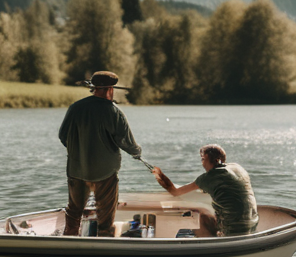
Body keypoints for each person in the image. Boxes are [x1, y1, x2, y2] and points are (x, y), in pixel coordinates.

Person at [59, 71, 141, 237]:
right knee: (105, 217)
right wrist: (137, 153)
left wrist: (79, 152)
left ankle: (69, 240)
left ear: (94, 88)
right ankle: (104, 242)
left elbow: (63, 136)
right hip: (105, 173)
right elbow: (127, 143)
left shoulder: (75, 108)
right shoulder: (114, 112)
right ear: (110, 89)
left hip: (77, 170)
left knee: (74, 212)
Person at [153, 144, 258, 237]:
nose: (202, 163)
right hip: (252, 226)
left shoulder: (209, 177)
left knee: (201, 214)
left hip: (232, 232)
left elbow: (175, 191)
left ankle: (209, 243)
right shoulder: (238, 168)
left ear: (214, 160)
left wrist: (159, 175)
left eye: (203, 159)